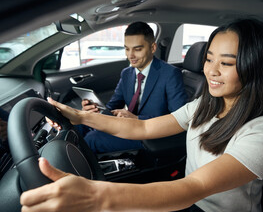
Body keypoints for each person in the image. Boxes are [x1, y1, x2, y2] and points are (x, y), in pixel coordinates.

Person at [20, 18, 263, 212]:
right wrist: (79, 117)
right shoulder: (204, 105)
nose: (211, 71)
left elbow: (195, 186)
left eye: (226, 63)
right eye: (208, 59)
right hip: (189, 206)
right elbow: (144, 127)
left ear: (254, 66)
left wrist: (96, 196)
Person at [77, 21, 187, 153]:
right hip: (126, 126)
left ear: (152, 48)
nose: (130, 55)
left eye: (137, 49)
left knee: (92, 139)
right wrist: (94, 109)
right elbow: (112, 106)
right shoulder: (127, 73)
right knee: (78, 124)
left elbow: (179, 118)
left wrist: (136, 119)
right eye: (127, 48)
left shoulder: (170, 74)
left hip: (151, 134)